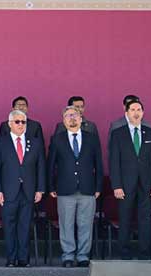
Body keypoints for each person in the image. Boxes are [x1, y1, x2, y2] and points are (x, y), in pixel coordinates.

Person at [46, 105, 102, 268]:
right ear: (63, 120)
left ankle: (83, 256)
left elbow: (98, 164)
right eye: (68, 115)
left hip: (87, 188)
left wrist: (98, 187)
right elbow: (51, 165)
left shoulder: (91, 138)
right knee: (66, 224)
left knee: (85, 225)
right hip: (65, 189)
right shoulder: (57, 139)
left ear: (81, 118)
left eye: (75, 115)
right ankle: (68, 256)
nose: (72, 118)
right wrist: (51, 186)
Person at [108, 99, 151, 260]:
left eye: (139, 110)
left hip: (146, 184)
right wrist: (116, 185)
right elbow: (114, 162)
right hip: (125, 184)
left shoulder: (150, 132)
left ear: (143, 113)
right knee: (125, 218)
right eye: (132, 110)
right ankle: (123, 251)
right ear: (126, 113)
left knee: (145, 219)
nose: (136, 113)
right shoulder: (118, 133)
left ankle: (145, 252)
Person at [0, 109, 45, 267]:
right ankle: (11, 258)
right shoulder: (1, 143)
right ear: (10, 124)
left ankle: (23, 258)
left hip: (28, 191)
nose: (21, 125)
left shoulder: (35, 143)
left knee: (25, 226)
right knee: (9, 226)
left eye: (23, 122)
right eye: (17, 122)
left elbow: (41, 167)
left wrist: (40, 189)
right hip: (8, 192)